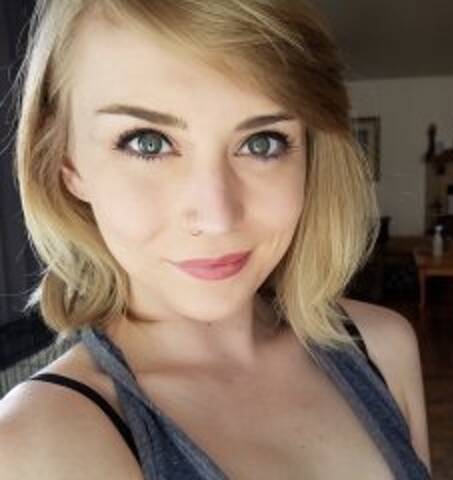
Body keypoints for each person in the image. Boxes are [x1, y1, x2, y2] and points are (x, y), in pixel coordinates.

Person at [0, 0, 431, 478]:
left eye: (262, 142)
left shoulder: (383, 348)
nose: (218, 217)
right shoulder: (39, 445)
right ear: (67, 164)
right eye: (147, 142)